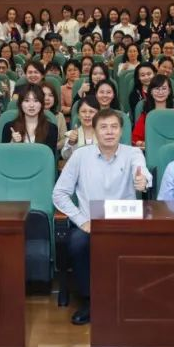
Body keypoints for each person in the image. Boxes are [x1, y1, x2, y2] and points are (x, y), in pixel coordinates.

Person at [53, 108, 151, 325]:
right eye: (104, 127)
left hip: (125, 223)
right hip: (90, 223)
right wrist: (81, 221)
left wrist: (143, 181)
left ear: (121, 131)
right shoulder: (80, 156)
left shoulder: (133, 153)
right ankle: (91, 300)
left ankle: (130, 298)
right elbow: (59, 193)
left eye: (114, 127)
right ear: (95, 130)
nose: (109, 132)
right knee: (78, 243)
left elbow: (142, 172)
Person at [1, 84, 58, 156]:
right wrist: (12, 143)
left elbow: (49, 157)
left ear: (42, 104)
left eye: (36, 101)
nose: (31, 105)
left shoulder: (51, 129)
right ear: (20, 104)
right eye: (27, 100)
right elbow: (3, 157)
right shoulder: (9, 127)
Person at [132, 74, 174, 147]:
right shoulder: (146, 115)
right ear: (151, 91)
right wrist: (146, 144)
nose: (160, 92)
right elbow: (135, 139)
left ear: (169, 91)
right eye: (157, 88)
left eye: (164, 88)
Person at [61, 94, 100, 160]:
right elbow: (65, 157)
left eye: (91, 111)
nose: (87, 115)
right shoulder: (71, 134)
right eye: (83, 111)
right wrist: (71, 143)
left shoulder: (104, 134)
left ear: (98, 115)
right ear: (78, 115)